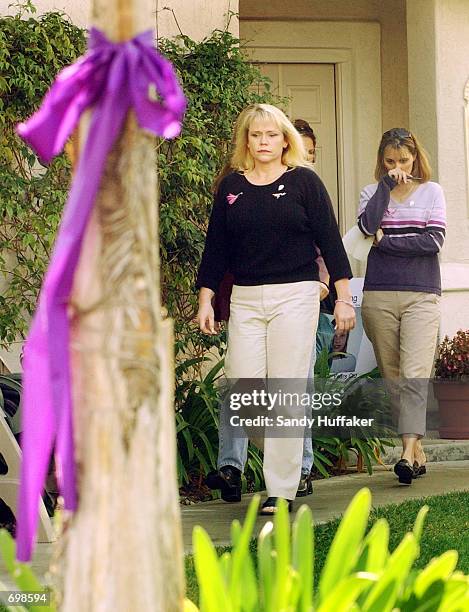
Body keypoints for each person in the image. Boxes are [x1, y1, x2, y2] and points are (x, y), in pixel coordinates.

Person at [196, 103, 355, 513]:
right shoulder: (232, 187)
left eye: (271, 135)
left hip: (297, 294)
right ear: (245, 140)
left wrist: (343, 298)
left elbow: (331, 243)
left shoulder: (304, 182)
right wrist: (206, 298)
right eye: (255, 135)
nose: (263, 142)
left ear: (286, 140)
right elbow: (216, 248)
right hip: (247, 298)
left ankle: (280, 489)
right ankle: (285, 462)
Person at [357, 127, 446, 485]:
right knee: (393, 376)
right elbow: (366, 227)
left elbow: (433, 241)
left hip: (422, 293)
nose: (398, 168)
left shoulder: (432, 191)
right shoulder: (371, 191)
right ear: (382, 161)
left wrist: (386, 243)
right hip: (379, 292)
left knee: (413, 373)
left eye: (403, 161)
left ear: (415, 158)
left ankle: (407, 453)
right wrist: (385, 190)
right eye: (390, 162)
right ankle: (416, 449)